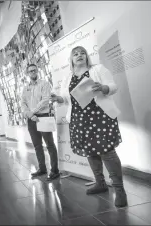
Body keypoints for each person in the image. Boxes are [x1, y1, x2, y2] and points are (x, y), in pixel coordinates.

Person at [50, 46, 127, 207]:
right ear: (71, 59)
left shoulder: (97, 69)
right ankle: (100, 183)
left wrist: (104, 88)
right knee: (90, 150)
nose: (79, 56)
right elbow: (66, 97)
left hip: (100, 115)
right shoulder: (68, 77)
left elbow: (113, 86)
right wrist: (59, 98)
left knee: (107, 151)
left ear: (87, 56)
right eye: (75, 54)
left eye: (82, 53)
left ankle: (120, 191)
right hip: (79, 119)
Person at [21, 63, 60, 181]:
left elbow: (45, 100)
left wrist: (32, 112)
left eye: (34, 70)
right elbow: (23, 103)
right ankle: (42, 169)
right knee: (37, 145)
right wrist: (29, 114)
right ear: (27, 73)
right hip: (31, 120)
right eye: (30, 71)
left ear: (37, 71)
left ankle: (55, 171)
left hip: (43, 116)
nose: (33, 72)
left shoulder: (44, 83)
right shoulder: (25, 88)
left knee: (49, 145)